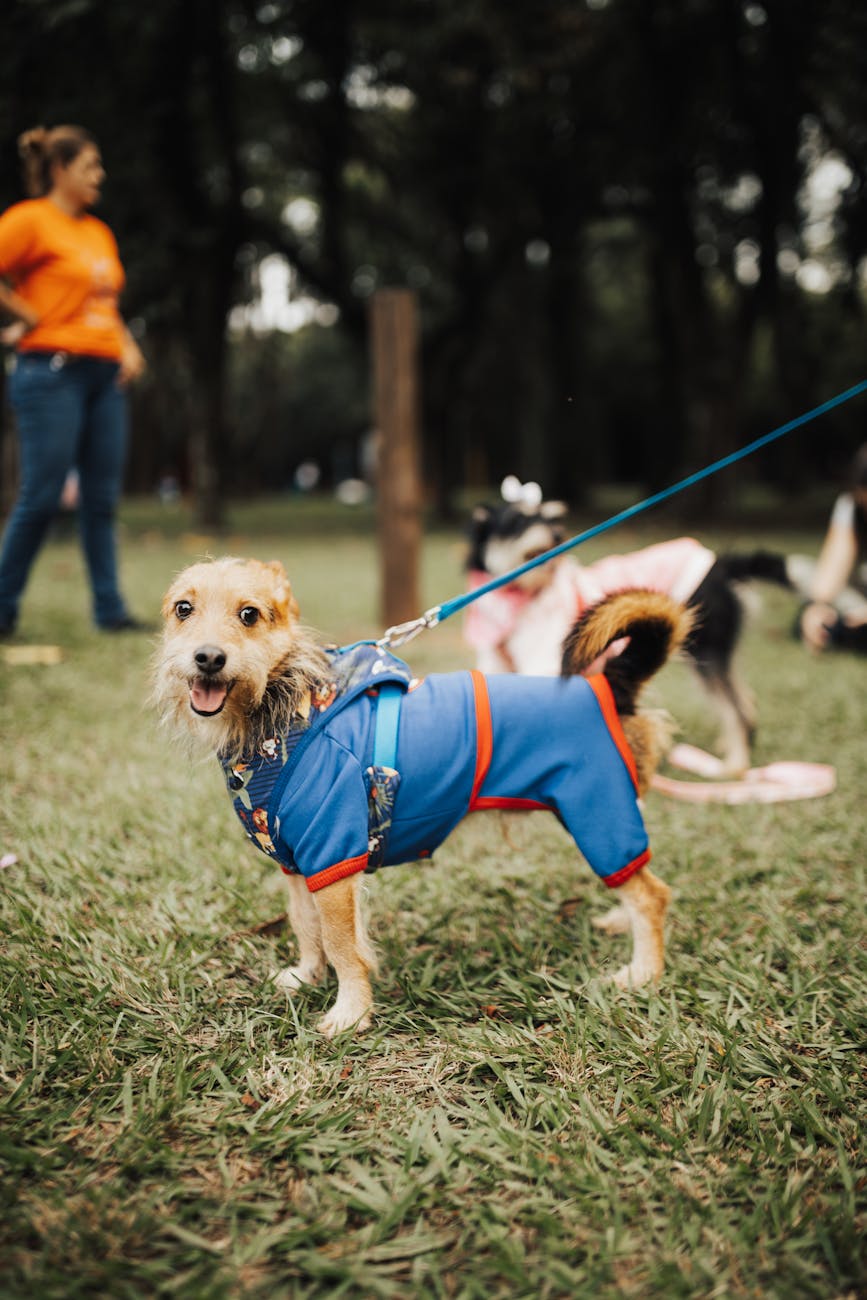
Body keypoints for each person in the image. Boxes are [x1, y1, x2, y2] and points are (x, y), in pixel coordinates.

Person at [0, 124, 146, 636]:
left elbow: (105, 303)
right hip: (50, 373)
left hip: (105, 377)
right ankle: (2, 608)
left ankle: (110, 611)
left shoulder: (97, 231)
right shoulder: (30, 221)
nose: (99, 176)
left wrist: (126, 345)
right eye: (90, 167)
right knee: (41, 495)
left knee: (101, 499)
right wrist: (22, 312)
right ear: (60, 170)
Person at [794, 442, 867, 654]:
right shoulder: (850, 507)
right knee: (801, 570)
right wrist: (817, 607)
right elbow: (834, 564)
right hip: (857, 596)